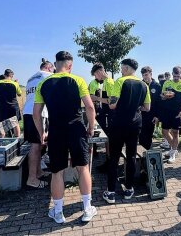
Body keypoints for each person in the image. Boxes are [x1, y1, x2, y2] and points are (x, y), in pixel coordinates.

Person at [33, 51, 97, 223]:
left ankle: (59, 212)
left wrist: (41, 133)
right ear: (70, 65)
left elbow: (36, 114)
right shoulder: (78, 80)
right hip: (76, 129)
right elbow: (90, 108)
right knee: (83, 168)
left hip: (56, 131)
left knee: (57, 172)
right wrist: (91, 127)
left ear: (55, 64)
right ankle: (87, 209)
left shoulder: (43, 83)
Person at [103, 58, 151, 204]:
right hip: (135, 123)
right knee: (130, 156)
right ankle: (129, 189)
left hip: (119, 123)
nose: (121, 70)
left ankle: (111, 192)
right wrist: (135, 108)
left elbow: (112, 105)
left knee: (114, 157)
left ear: (126, 68)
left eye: (122, 68)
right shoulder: (144, 84)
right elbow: (147, 108)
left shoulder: (120, 81)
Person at [23, 58, 54, 188]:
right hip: (38, 113)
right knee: (36, 145)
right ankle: (32, 179)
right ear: (48, 67)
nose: (54, 71)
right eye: (53, 69)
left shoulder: (30, 78)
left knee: (39, 144)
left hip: (28, 112)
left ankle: (38, 172)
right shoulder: (48, 75)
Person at [159, 66, 181, 163]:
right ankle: (174, 148)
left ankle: (172, 153)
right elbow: (161, 96)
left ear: (180, 74)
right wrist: (165, 97)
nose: (176, 78)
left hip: (177, 112)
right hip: (166, 111)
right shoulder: (167, 83)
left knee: (175, 132)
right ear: (172, 74)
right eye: (175, 76)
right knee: (164, 132)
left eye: (178, 76)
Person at [88, 62, 114, 172]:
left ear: (99, 72)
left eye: (95, 75)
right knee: (107, 138)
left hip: (110, 114)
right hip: (104, 113)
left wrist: (96, 98)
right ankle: (108, 161)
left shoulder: (110, 82)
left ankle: (110, 162)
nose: (95, 77)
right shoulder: (102, 82)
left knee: (109, 138)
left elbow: (111, 101)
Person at [0, 69, 22, 137]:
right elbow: (19, 94)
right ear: (11, 75)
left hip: (2, 106)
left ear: (4, 74)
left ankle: (1, 140)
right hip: (13, 106)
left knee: (0, 124)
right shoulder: (15, 83)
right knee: (15, 123)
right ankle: (17, 140)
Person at [139, 66, 161, 150]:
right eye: (143, 75)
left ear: (151, 74)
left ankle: (146, 156)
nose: (145, 77)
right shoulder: (140, 85)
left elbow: (159, 103)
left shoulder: (157, 86)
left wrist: (157, 116)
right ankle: (141, 155)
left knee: (148, 136)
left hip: (152, 115)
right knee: (141, 135)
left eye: (146, 74)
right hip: (141, 114)